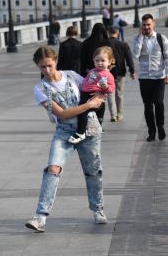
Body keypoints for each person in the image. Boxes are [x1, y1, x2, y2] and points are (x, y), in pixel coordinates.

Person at [25, 46, 107, 232]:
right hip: (64, 131)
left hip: (89, 129)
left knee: (93, 171)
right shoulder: (40, 88)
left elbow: (91, 89)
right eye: (42, 67)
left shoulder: (71, 76)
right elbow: (61, 114)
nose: (46, 71)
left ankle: (98, 209)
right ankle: (40, 217)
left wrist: (101, 92)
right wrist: (88, 105)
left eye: (49, 65)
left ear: (56, 61)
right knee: (52, 168)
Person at [132, 13, 168, 142]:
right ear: (141, 26)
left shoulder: (161, 38)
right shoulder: (137, 38)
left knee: (159, 103)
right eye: (144, 25)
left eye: (148, 24)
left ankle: (160, 126)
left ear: (153, 24)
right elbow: (136, 54)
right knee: (147, 105)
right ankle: (151, 131)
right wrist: (140, 37)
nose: (146, 27)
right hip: (144, 77)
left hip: (159, 76)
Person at [68, 46, 116, 144]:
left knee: (82, 112)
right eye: (97, 60)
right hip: (85, 94)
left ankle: (80, 133)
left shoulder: (108, 75)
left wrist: (105, 86)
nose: (99, 63)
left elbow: (111, 89)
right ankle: (97, 126)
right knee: (82, 111)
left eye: (103, 60)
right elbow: (86, 81)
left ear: (110, 62)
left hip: (94, 96)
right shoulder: (93, 70)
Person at [107, 26, 135, 122]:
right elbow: (129, 58)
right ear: (117, 32)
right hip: (120, 71)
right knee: (119, 94)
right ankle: (119, 114)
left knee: (110, 94)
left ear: (108, 32)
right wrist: (132, 71)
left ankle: (113, 115)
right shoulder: (123, 44)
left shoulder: (105, 44)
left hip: (108, 72)